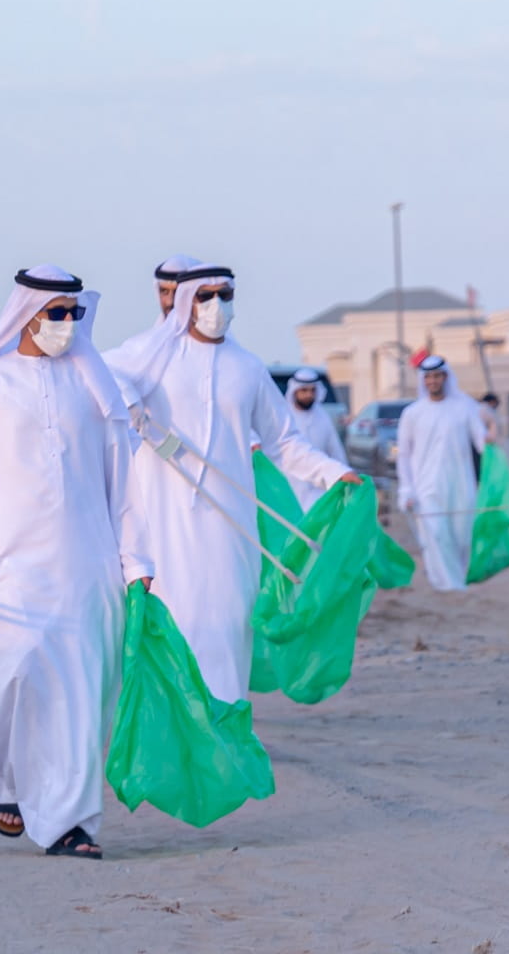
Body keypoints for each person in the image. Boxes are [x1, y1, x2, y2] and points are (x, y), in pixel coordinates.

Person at [0, 266, 153, 859]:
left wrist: (136, 560)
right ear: (27, 313)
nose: (66, 324)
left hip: (89, 569)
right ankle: (5, 777)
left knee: (83, 696)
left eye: (74, 314)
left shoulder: (95, 386)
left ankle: (73, 822)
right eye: (56, 313)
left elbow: (123, 484)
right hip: (10, 566)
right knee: (11, 683)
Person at [105, 261, 357, 704]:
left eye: (225, 295)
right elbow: (98, 374)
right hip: (162, 525)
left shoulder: (248, 368)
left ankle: (225, 738)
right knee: (175, 627)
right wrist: (132, 406)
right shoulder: (149, 356)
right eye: (205, 296)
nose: (216, 306)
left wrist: (334, 473)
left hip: (229, 532)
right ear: (186, 301)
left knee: (228, 627)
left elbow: (284, 442)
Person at [396, 355, 489, 591]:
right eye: (428, 377)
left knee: (461, 537)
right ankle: (448, 586)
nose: (433, 381)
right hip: (425, 487)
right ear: (422, 380)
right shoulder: (412, 413)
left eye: (437, 376)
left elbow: (482, 443)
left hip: (461, 485)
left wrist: (491, 428)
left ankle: (456, 580)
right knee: (436, 535)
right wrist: (406, 488)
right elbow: (404, 455)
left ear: (445, 377)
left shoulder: (465, 406)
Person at [279, 367, 349, 510]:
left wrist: (343, 473)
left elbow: (335, 450)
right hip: (291, 485)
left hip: (318, 487)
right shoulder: (284, 417)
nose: (308, 395)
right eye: (304, 390)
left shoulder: (322, 416)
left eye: (312, 390)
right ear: (295, 391)